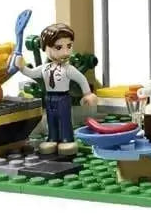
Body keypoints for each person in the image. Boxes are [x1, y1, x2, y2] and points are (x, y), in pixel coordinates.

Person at [13, 23, 97, 156]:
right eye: (59, 47)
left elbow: (81, 79)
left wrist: (87, 94)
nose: (65, 52)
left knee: (64, 119)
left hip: (63, 97)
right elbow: (31, 73)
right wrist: (21, 67)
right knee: (51, 119)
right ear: (45, 47)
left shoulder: (69, 69)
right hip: (49, 98)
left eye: (69, 46)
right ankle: (52, 138)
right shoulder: (45, 68)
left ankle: (66, 139)